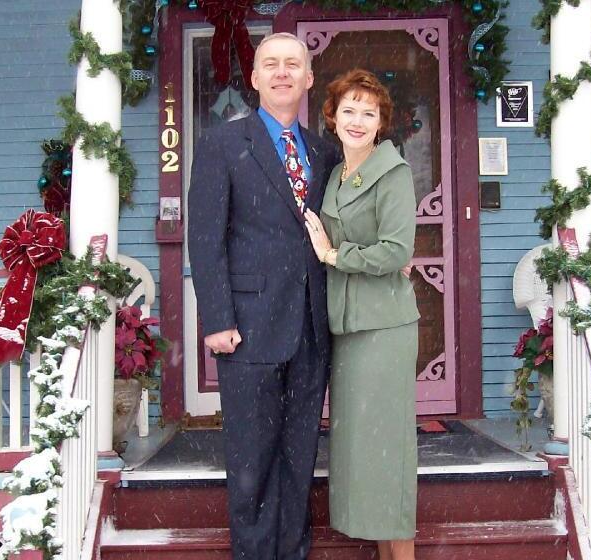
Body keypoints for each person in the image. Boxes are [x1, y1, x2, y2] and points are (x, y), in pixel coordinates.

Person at [187, 33, 339, 560]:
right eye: (270, 64)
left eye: (292, 64)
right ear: (253, 78)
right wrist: (216, 318)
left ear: (308, 78)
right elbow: (205, 238)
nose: (282, 72)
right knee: (251, 462)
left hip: (311, 329)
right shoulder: (222, 144)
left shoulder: (324, 151)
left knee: (299, 460)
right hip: (248, 327)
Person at [304, 69, 420, 560]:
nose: (356, 120)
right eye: (348, 110)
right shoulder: (336, 173)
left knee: (387, 451)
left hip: (384, 326)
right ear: (332, 117)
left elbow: (396, 250)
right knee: (364, 451)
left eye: (367, 113)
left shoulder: (393, 172)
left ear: (380, 122)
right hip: (347, 326)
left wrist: (334, 255)